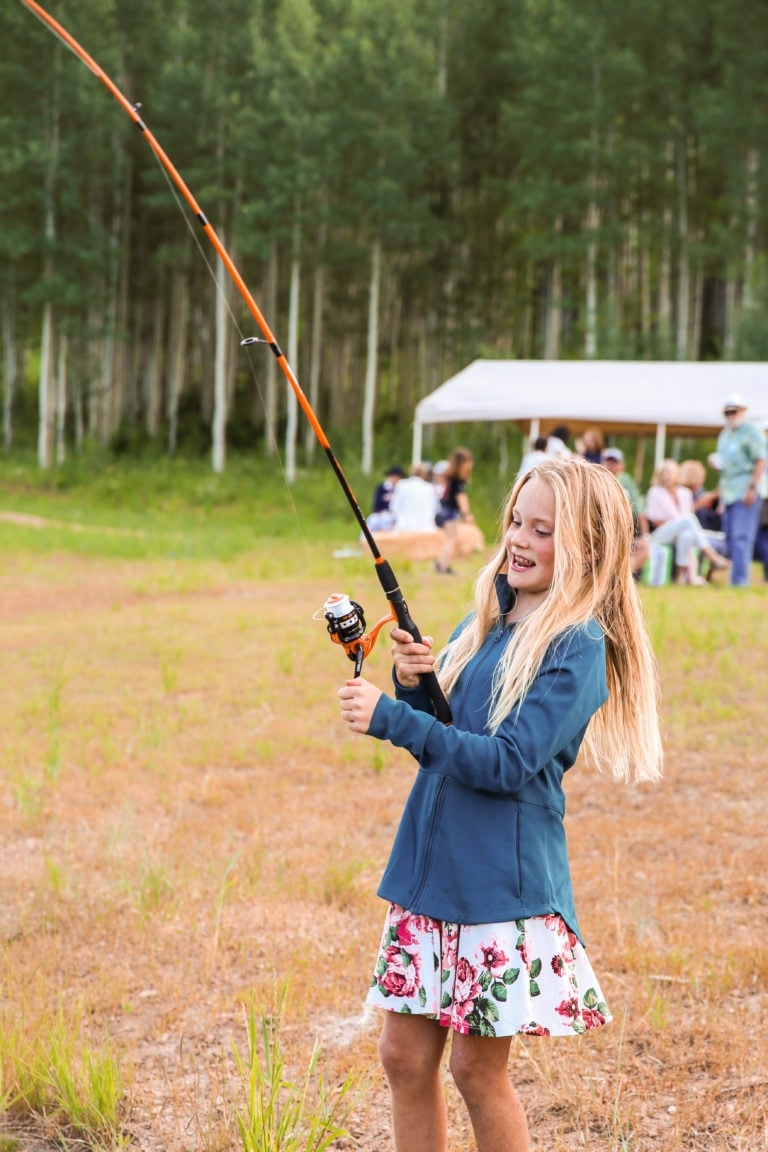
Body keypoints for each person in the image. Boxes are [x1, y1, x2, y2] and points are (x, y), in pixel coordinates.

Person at [337, 456, 663, 1152]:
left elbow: (509, 762)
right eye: (516, 520)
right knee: (402, 1055)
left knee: (476, 1070)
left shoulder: (578, 649)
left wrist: (393, 719)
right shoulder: (492, 612)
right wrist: (411, 685)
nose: (518, 538)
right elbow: (449, 734)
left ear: (586, 547)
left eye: (542, 530)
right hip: (434, 863)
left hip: (499, 886)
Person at [708, 395, 766, 587]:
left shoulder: (752, 431)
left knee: (742, 537)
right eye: (727, 412)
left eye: (734, 411)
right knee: (731, 538)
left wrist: (752, 487)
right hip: (729, 493)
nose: (731, 415)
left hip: (745, 491)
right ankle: (736, 580)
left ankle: (740, 582)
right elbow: (725, 469)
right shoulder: (725, 434)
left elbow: (761, 460)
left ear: (742, 412)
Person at [644, 458, 730, 585]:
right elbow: (654, 520)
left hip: (681, 533)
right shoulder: (655, 492)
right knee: (688, 519)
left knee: (687, 535)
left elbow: (686, 519)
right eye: (664, 473)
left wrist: (678, 525)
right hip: (661, 534)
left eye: (669, 473)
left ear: (677, 475)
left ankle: (680, 577)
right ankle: (711, 555)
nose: (666, 476)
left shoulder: (685, 493)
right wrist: (675, 524)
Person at [600, 447, 649, 576]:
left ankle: (620, 577)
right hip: (602, 530)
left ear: (621, 466)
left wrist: (645, 535)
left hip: (626, 532)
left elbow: (639, 510)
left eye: (614, 462)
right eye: (608, 461)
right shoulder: (597, 481)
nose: (610, 465)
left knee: (643, 548)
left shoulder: (626, 481)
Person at [435, 447, 475, 574]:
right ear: (463, 463)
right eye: (468, 461)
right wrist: (467, 513)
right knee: (451, 540)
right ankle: (443, 567)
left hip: (444, 510)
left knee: (450, 538)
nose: (470, 464)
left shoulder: (450, 477)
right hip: (450, 512)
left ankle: (441, 563)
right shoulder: (458, 480)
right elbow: (461, 497)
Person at [390, 462, 439, 533]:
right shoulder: (429, 488)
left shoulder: (401, 485)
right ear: (424, 474)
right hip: (426, 529)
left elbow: (394, 507)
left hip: (403, 528)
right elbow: (435, 508)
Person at [368, 465, 405, 532]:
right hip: (382, 513)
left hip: (396, 516)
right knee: (372, 520)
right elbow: (376, 503)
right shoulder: (381, 488)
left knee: (387, 521)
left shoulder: (402, 489)